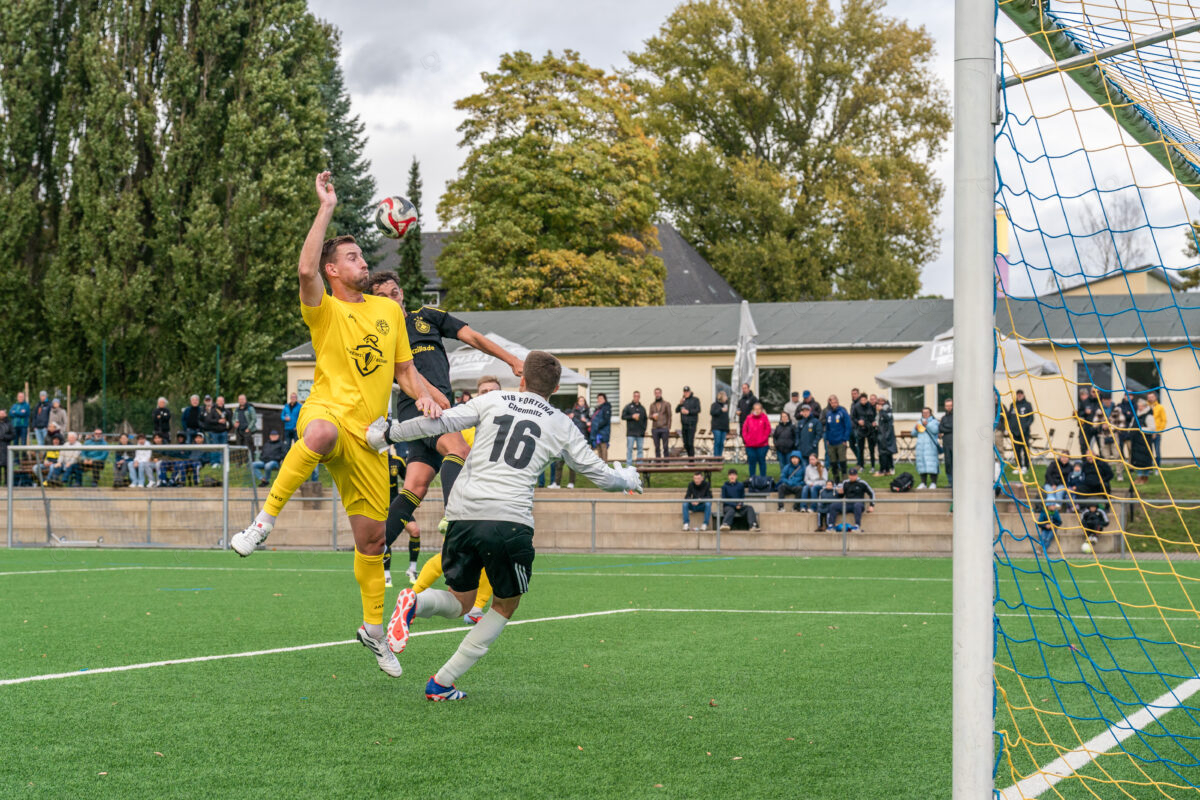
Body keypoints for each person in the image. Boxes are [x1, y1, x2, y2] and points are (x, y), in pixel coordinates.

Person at [228, 171, 440, 680]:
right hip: (328, 413)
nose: (362, 262)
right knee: (318, 435)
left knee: (372, 542)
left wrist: (432, 399)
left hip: (370, 437)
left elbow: (405, 374)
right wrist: (326, 208)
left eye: (364, 257)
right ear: (332, 270)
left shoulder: (389, 311)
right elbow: (303, 271)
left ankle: (372, 629)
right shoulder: (323, 310)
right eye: (352, 258)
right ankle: (264, 522)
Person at [379, 350, 642, 700]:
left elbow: (437, 422)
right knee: (506, 604)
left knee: (460, 600)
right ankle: (442, 681)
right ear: (556, 387)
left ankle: (415, 603)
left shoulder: (494, 400)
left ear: (521, 380)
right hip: (508, 520)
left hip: (462, 514)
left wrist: (388, 435)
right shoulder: (561, 423)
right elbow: (597, 474)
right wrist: (627, 480)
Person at [368, 269, 522, 584]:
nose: (389, 300)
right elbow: (404, 373)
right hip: (418, 409)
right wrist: (435, 399)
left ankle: (374, 548)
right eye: (380, 297)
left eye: (393, 293)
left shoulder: (427, 317)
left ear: (402, 294)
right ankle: (456, 518)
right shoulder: (378, 334)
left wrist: (512, 360)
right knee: (459, 449)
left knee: (415, 487)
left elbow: (474, 337)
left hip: (438, 411)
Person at [401, 374, 504, 617]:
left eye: (494, 391)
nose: (489, 394)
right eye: (485, 391)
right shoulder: (465, 425)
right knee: (454, 557)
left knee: (490, 558)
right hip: (466, 502)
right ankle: (415, 596)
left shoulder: (507, 426)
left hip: (495, 500)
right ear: (478, 396)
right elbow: (452, 457)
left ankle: (475, 608)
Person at [823, 395, 851, 483]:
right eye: (832, 403)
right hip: (831, 442)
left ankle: (844, 478)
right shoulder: (828, 414)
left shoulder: (843, 412)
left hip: (840, 441)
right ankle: (836, 479)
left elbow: (848, 426)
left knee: (842, 461)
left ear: (838, 403)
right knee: (833, 462)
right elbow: (827, 428)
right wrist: (827, 439)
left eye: (835, 402)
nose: (834, 404)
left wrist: (845, 439)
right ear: (830, 404)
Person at [565, 396, 592, 488]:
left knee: (584, 455)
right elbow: (572, 423)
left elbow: (591, 421)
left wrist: (587, 421)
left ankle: (586, 470)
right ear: (577, 402)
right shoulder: (574, 412)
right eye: (580, 401)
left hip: (585, 435)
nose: (581, 402)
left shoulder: (588, 411)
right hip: (575, 437)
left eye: (583, 401)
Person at [1129, 397, 1156, 484]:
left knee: (1145, 460)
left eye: (1140, 406)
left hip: (1145, 442)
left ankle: (1145, 477)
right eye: (1138, 406)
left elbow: (1152, 428)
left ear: (1144, 406)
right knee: (1137, 460)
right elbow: (1131, 425)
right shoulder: (1135, 415)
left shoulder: (1149, 416)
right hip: (1136, 441)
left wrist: (1141, 429)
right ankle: (1139, 476)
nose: (1139, 408)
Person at [912, 407, 940, 489]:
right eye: (923, 413)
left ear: (930, 413)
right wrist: (915, 429)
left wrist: (927, 424)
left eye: (927, 413)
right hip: (921, 447)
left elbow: (935, 431)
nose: (925, 414)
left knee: (932, 464)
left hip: (931, 447)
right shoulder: (919, 422)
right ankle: (923, 483)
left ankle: (933, 483)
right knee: (922, 465)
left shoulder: (934, 422)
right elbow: (913, 434)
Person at [741, 402, 771, 478]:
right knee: (752, 463)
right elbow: (744, 430)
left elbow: (768, 430)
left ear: (761, 410)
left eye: (759, 409)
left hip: (762, 445)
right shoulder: (748, 418)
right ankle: (752, 479)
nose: (757, 410)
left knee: (762, 462)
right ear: (753, 410)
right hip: (750, 445)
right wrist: (747, 440)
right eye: (755, 409)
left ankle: (763, 479)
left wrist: (762, 439)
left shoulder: (764, 417)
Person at [1008, 390, 1034, 473]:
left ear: (1023, 395)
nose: (1019, 396)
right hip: (1014, 433)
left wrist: (1025, 427)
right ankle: (1019, 466)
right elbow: (1009, 417)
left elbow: (1031, 418)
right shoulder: (1013, 405)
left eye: (1020, 394)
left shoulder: (1027, 405)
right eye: (1018, 394)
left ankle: (1026, 466)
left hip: (1024, 432)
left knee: (1025, 449)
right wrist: (1010, 428)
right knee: (1016, 450)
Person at [849, 393, 876, 471]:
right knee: (860, 448)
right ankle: (861, 466)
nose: (863, 401)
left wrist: (873, 422)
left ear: (867, 399)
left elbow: (874, 416)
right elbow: (853, 417)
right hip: (860, 430)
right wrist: (858, 421)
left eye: (864, 400)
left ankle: (873, 466)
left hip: (870, 429)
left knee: (871, 449)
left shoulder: (871, 406)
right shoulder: (856, 406)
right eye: (861, 400)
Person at [621, 391, 647, 465]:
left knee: (640, 450)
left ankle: (639, 465)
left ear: (639, 397)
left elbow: (645, 419)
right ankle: (629, 466)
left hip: (640, 433)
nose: (636, 397)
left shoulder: (642, 408)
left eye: (638, 396)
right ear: (633, 397)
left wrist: (644, 429)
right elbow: (623, 416)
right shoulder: (628, 407)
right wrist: (631, 416)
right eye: (635, 396)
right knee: (629, 450)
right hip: (631, 433)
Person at [675, 386, 701, 457]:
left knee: (690, 443)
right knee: (685, 444)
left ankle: (691, 461)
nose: (686, 393)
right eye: (684, 392)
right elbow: (676, 410)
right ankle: (690, 458)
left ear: (690, 392)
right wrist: (680, 404)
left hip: (691, 425)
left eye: (687, 392)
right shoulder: (683, 401)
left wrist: (688, 412)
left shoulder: (695, 400)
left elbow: (698, 410)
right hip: (684, 425)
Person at [875, 396, 897, 476]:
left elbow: (887, 418)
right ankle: (885, 469)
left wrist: (881, 410)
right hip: (881, 433)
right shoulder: (878, 410)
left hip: (887, 434)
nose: (880, 402)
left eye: (882, 400)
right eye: (879, 400)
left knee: (887, 452)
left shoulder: (887, 409)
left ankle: (889, 468)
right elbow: (879, 420)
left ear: (885, 401)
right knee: (882, 453)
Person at [1076, 386, 1101, 454]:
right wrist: (1085, 412)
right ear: (1090, 392)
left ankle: (1101, 463)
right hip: (1087, 427)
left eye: (1097, 392)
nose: (1095, 393)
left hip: (1098, 427)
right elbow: (1079, 414)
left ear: (1099, 392)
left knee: (1101, 446)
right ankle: (1085, 462)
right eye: (1093, 391)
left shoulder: (1101, 402)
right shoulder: (1085, 402)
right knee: (1084, 446)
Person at [232, 395, 258, 459]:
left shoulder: (250, 408)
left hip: (247, 430)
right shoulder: (236, 410)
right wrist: (234, 423)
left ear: (245, 400)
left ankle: (251, 461)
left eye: (243, 399)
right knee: (238, 447)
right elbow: (233, 419)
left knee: (249, 447)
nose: (241, 401)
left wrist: (248, 428)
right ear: (238, 401)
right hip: (239, 431)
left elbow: (254, 419)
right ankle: (239, 462)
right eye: (240, 399)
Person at [648, 388, 671, 458]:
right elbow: (649, 416)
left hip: (664, 428)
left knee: (665, 447)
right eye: (656, 393)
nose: (657, 394)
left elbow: (669, 416)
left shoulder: (666, 404)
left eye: (658, 393)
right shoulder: (652, 405)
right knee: (657, 447)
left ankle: (666, 463)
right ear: (654, 394)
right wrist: (652, 416)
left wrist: (668, 427)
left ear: (661, 393)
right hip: (655, 429)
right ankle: (658, 464)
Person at [591, 393, 612, 462]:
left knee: (603, 451)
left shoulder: (606, 408)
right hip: (597, 433)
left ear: (604, 399)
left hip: (603, 433)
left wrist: (597, 425)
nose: (599, 400)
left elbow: (606, 420)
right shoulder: (598, 408)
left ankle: (605, 469)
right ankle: (601, 469)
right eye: (598, 398)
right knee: (599, 452)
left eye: (601, 398)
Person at [1148, 392, 1167, 466]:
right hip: (1148, 433)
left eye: (1152, 397)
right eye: (1149, 397)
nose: (1150, 398)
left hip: (1157, 434)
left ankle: (1157, 467)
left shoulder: (1160, 407)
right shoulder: (1146, 407)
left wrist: (1157, 432)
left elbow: (1164, 420)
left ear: (1155, 397)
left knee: (1157, 452)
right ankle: (1149, 468)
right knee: (1149, 452)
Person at [710, 390, 730, 458]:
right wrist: (720, 410)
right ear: (722, 397)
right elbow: (712, 412)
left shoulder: (726, 405)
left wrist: (728, 428)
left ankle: (720, 457)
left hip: (724, 427)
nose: (726, 397)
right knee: (717, 442)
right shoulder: (715, 405)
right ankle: (716, 457)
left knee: (721, 443)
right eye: (725, 396)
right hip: (716, 427)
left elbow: (726, 418)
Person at [939, 398, 954, 489]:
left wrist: (946, 428)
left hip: (955, 442)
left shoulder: (957, 416)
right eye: (947, 406)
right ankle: (950, 481)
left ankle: (957, 481)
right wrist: (949, 428)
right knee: (948, 462)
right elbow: (940, 428)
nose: (948, 407)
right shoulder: (944, 417)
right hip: (946, 443)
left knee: (955, 462)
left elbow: (955, 426)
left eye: (950, 406)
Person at [0, 409, 11, 485]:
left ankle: (7, 484)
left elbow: (13, 435)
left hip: (6, 447)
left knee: (7, 466)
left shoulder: (9, 424)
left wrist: (4, 437)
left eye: (2, 414)